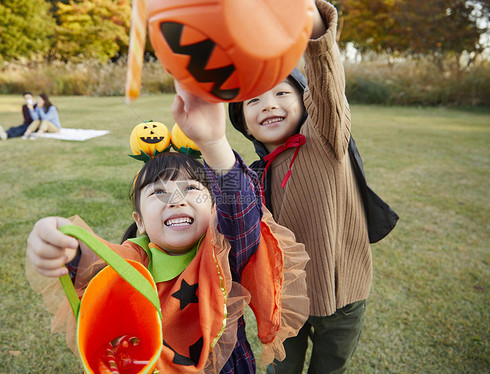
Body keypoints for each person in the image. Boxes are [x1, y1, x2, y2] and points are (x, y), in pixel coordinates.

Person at [26, 83, 310, 373]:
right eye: (158, 192)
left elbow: (241, 210)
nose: (176, 200)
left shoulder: (224, 252)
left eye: (191, 189)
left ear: (213, 208)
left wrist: (213, 144)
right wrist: (63, 240)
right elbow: (94, 266)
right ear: (139, 221)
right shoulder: (132, 263)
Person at [228, 1, 398, 373]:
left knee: (329, 368)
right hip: (286, 299)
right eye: (253, 100)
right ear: (243, 121)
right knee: (281, 370)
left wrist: (313, 28)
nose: (268, 105)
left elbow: (326, 83)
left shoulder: (324, 138)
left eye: (281, 93)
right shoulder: (254, 174)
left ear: (305, 100)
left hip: (345, 297)